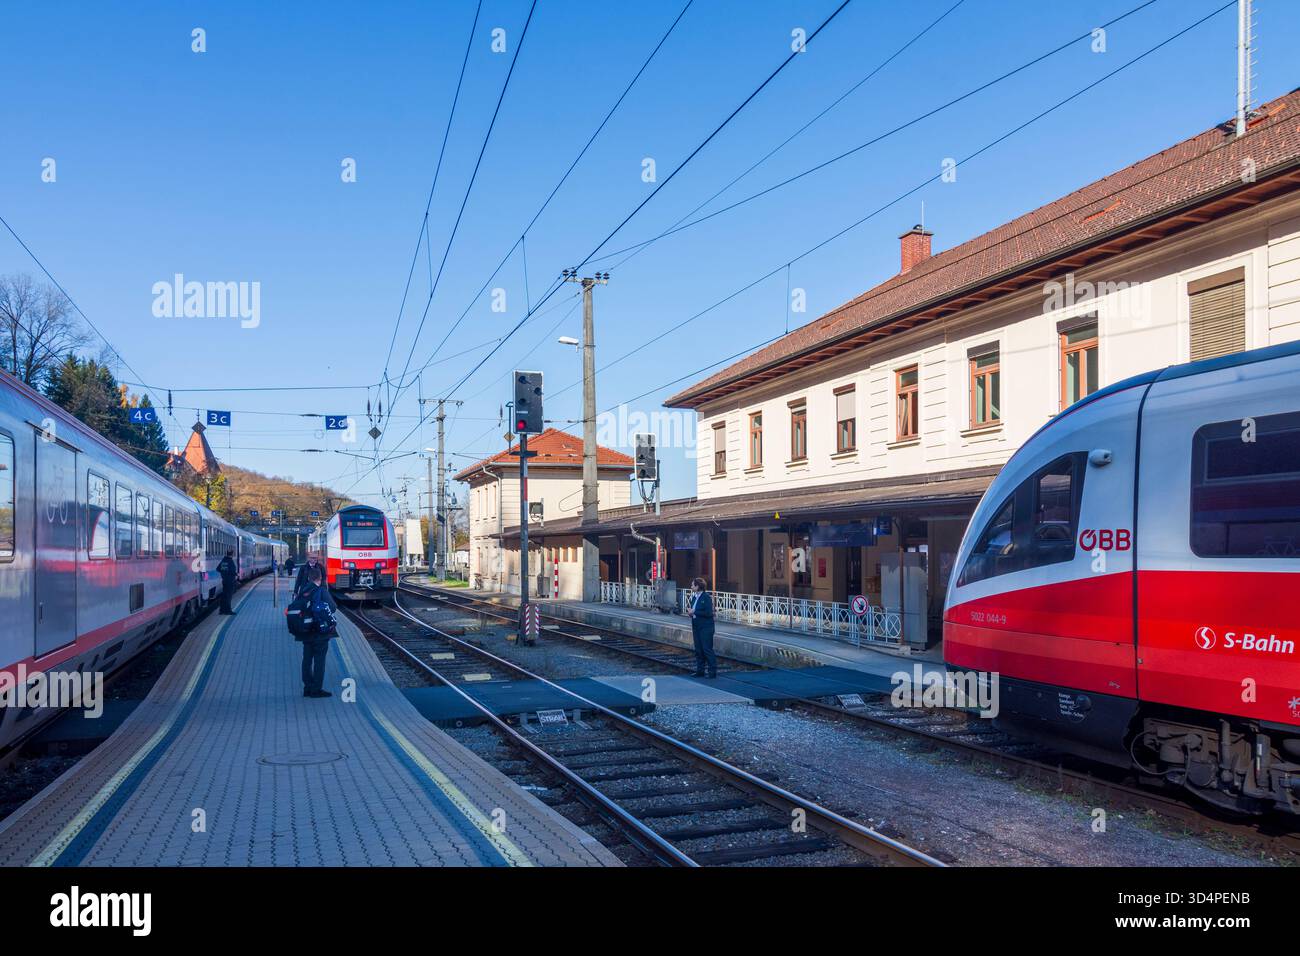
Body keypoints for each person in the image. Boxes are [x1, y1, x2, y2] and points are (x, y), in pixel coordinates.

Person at [295, 565, 337, 698]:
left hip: (306, 630)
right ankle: (316, 689)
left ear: (308, 578)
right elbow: (333, 607)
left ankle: (307, 687)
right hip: (320, 630)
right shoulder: (321, 591)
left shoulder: (303, 591)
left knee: (306, 659)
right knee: (319, 660)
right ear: (320, 578)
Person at [687, 577, 716, 679]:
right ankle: (700, 671)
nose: (691, 587)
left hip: (706, 627)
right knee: (698, 649)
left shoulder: (706, 597)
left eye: (692, 585)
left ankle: (712, 671)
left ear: (698, 586)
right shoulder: (694, 597)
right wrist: (691, 613)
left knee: (707, 649)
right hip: (696, 626)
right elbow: (694, 610)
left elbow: (708, 613)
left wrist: (694, 612)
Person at [216, 549, 238, 615]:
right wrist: (236, 574)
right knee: (228, 596)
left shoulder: (223, 560)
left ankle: (221, 610)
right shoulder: (230, 561)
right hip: (230, 581)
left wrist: (224, 574)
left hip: (224, 580)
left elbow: (218, 569)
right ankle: (228, 610)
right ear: (232, 554)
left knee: (224, 596)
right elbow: (232, 571)